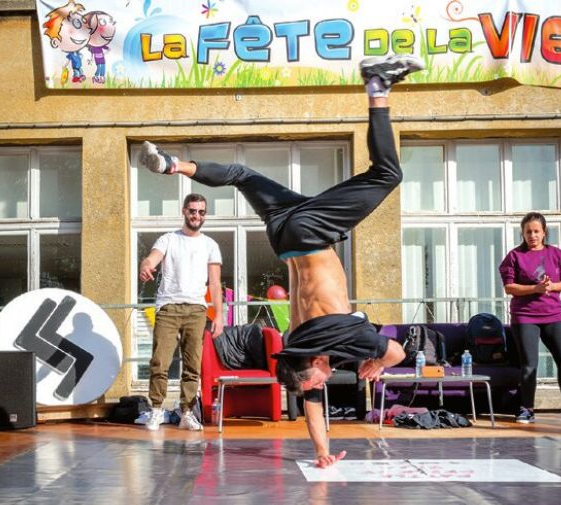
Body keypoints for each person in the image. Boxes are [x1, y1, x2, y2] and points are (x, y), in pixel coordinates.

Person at [139, 54, 425, 466]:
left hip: (309, 234)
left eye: (320, 378)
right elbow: (312, 404)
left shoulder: (339, 339)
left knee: (387, 175)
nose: (325, 381)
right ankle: (173, 165)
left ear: (314, 363)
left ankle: (377, 85)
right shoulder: (294, 348)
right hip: (282, 235)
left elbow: (397, 352)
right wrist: (322, 453)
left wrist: (376, 363)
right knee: (241, 175)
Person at [138, 193, 223, 431]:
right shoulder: (168, 239)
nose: (196, 215)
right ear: (184, 211)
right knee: (159, 362)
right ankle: (156, 410)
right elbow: (151, 259)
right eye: (192, 211)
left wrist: (219, 315)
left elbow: (215, 284)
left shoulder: (210, 245)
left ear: (205, 215)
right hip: (168, 307)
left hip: (197, 309)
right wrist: (145, 266)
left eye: (201, 212)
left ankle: (186, 412)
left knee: (192, 365)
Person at [499, 212, 561, 424]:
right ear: (522, 233)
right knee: (529, 366)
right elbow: (509, 287)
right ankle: (527, 409)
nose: (532, 235)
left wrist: (552, 286)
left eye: (536, 231)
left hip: (553, 315)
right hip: (525, 317)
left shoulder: (556, 254)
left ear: (544, 232)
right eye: (528, 232)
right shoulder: (514, 256)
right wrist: (535, 288)